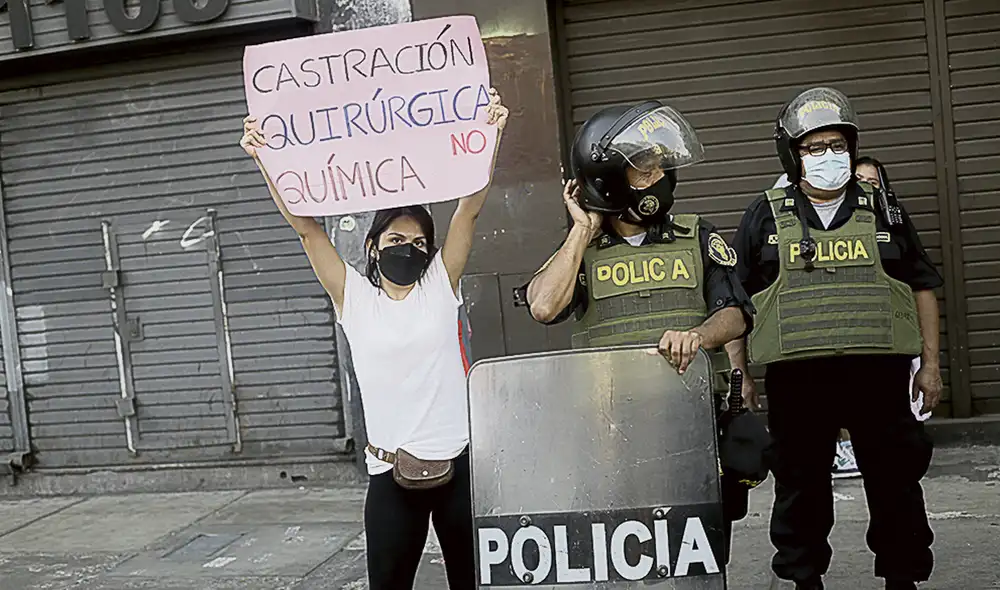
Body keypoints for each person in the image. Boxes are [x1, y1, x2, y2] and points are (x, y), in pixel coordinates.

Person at [240, 90, 509, 590]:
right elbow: (306, 230)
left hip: (459, 470)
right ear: (372, 247)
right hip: (390, 476)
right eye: (394, 241)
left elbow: (467, 212)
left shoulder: (439, 287)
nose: (407, 250)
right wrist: (266, 157)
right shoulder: (354, 298)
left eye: (417, 243)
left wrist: (490, 133)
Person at [519, 100, 756, 563]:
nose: (660, 176)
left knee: (700, 555)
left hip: (690, 422)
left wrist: (700, 337)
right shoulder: (581, 251)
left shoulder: (696, 235)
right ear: (608, 177)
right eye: (644, 170)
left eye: (659, 166)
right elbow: (544, 306)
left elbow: (736, 312)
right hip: (610, 432)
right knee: (624, 555)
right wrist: (582, 230)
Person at [726, 87, 942, 590]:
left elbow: (923, 286)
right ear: (792, 155)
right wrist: (740, 375)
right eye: (814, 148)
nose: (829, 157)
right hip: (798, 378)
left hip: (879, 374)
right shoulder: (765, 213)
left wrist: (930, 367)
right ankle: (804, 579)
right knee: (800, 485)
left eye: (837, 146)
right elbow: (736, 301)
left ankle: (903, 576)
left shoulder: (883, 207)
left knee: (895, 481)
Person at [770, 172, 861, 480]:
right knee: (800, 481)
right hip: (798, 362)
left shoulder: (872, 209)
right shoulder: (772, 208)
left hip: (859, 354)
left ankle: (845, 447)